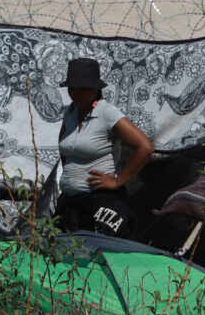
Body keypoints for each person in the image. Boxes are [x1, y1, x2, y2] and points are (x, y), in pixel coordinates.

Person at [54, 57, 154, 239]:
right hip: (70, 203)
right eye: (71, 88)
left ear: (96, 89)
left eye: (82, 88)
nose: (75, 93)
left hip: (99, 204)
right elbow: (65, 150)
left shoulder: (107, 113)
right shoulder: (70, 113)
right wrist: (71, 176)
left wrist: (117, 181)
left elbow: (145, 147)